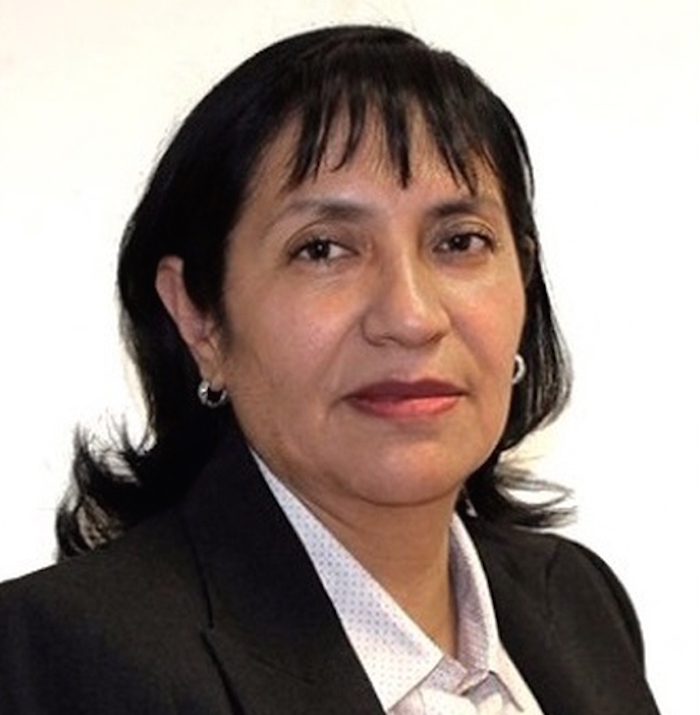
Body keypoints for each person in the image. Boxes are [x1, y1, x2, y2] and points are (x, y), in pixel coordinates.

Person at [0, 24, 659, 715]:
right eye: (322, 249)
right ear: (200, 317)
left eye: (460, 241)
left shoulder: (577, 601)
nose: (410, 316)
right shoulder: (59, 658)